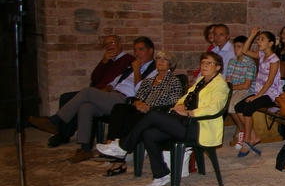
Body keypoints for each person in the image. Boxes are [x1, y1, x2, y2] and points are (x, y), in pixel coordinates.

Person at [29, 37, 157, 163]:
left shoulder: (155, 70)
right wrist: (98, 95)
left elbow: (141, 91)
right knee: (86, 106)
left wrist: (136, 70)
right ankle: (85, 149)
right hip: (112, 95)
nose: (137, 53)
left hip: (126, 101)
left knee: (86, 91)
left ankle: (54, 121)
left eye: (141, 50)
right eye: (135, 50)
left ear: (150, 51)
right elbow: (112, 83)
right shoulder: (130, 68)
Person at [119, 52, 231, 186]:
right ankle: (161, 174)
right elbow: (186, 97)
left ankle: (123, 146)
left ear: (218, 67)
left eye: (209, 63)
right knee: (149, 134)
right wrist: (180, 105)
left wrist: (189, 112)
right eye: (203, 62)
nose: (204, 65)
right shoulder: (201, 81)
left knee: (154, 115)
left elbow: (214, 108)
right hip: (185, 123)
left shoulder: (220, 86)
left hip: (200, 128)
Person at [95, 50, 184, 165]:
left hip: (155, 113)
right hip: (140, 109)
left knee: (134, 117)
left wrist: (150, 108)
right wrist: (138, 103)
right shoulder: (147, 81)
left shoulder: (174, 81)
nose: (161, 62)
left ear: (170, 65)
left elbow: (173, 103)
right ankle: (111, 143)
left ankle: (119, 146)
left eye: (165, 60)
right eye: (158, 59)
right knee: (119, 108)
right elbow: (136, 97)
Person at [48, 35, 136, 148]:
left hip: (105, 93)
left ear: (120, 44)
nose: (109, 46)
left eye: (112, 43)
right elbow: (95, 79)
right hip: (98, 90)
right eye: (106, 44)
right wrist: (103, 62)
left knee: (79, 96)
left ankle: (59, 128)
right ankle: (63, 133)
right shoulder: (108, 60)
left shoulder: (128, 60)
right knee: (66, 97)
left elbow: (119, 83)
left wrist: (105, 90)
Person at [231, 28, 281, 158]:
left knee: (248, 108)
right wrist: (252, 35)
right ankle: (253, 136)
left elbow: (270, 81)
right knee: (238, 107)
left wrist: (257, 96)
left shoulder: (274, 60)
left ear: (271, 43)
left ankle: (247, 140)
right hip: (260, 92)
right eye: (258, 39)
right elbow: (244, 50)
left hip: (271, 94)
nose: (259, 41)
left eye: (262, 39)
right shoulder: (262, 55)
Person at [225, 35, 257, 150]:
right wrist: (226, 89)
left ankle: (244, 132)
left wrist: (230, 88)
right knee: (226, 103)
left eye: (239, 47)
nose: (236, 49)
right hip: (233, 89)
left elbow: (246, 85)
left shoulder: (250, 63)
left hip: (246, 91)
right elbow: (228, 80)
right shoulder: (232, 61)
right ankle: (243, 130)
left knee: (232, 104)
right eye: (234, 47)